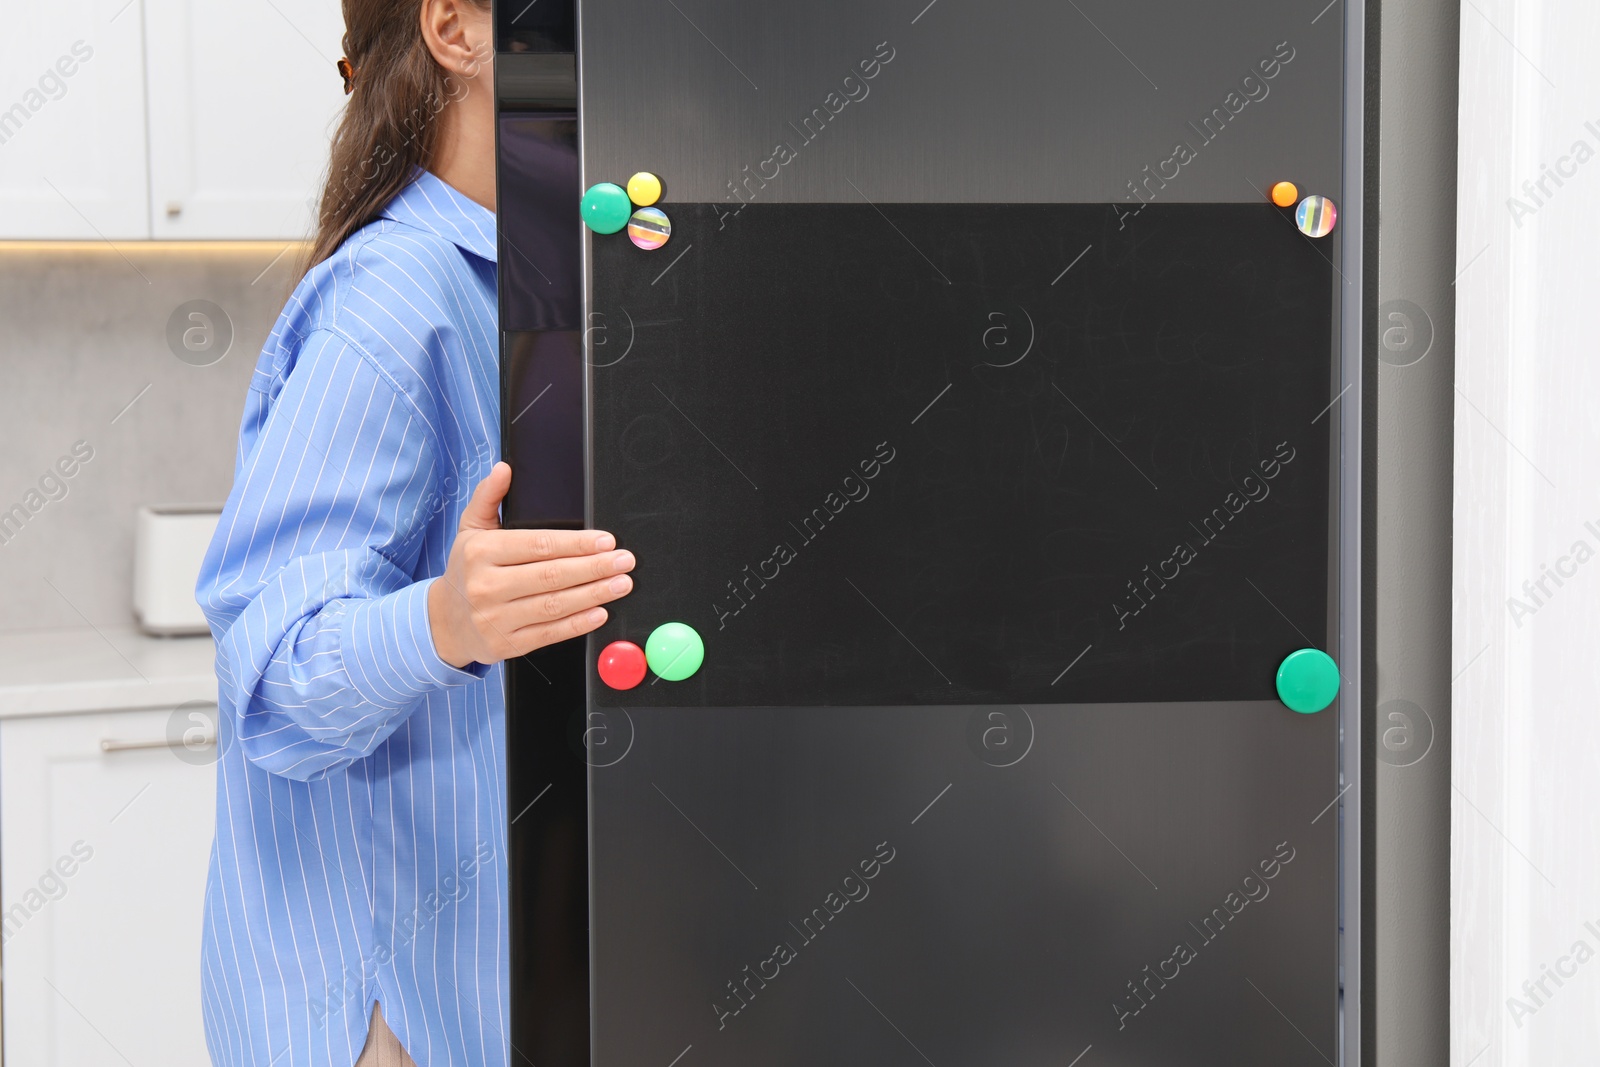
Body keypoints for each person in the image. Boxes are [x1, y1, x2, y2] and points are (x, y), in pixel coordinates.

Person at [194, 2, 630, 1064]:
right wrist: (444, 619)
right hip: (381, 1020)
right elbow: (276, 684)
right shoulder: (390, 298)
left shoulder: (536, 290)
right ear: (456, 27)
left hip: (494, 990)